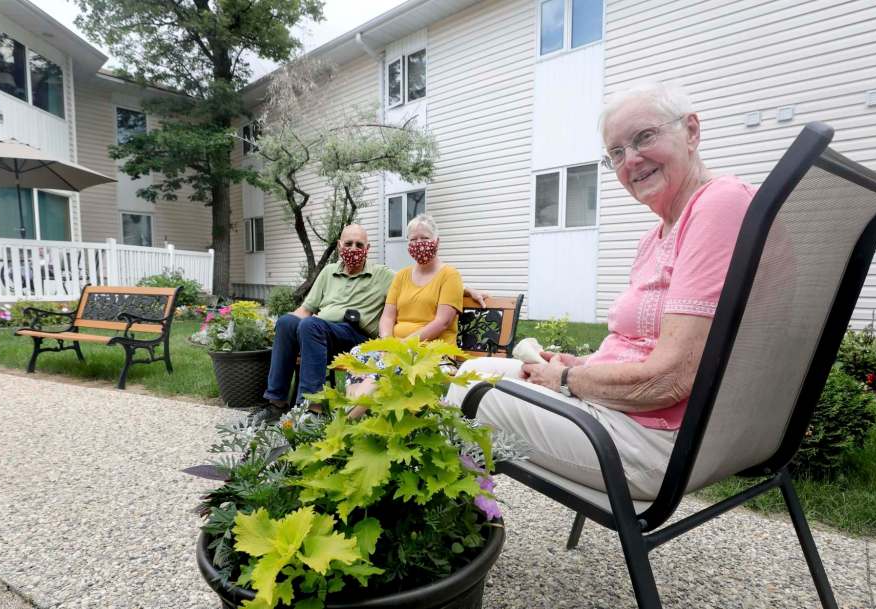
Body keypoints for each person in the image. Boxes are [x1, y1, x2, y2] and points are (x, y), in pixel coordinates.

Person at [447, 82, 758, 500]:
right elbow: (645, 344)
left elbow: (671, 377)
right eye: (616, 152)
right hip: (624, 415)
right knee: (471, 371)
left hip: (649, 442)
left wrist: (567, 379)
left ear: (692, 131)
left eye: (644, 137)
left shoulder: (719, 204)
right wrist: (587, 363)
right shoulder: (656, 238)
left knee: (453, 391)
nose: (631, 159)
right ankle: (466, 512)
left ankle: (459, 522)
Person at [262, 224, 393, 415]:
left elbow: (410, 284)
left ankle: (311, 410)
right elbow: (305, 310)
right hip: (319, 333)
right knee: (286, 322)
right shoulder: (328, 272)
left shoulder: (383, 275)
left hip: (356, 338)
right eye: (348, 243)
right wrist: (286, 327)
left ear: (368, 248)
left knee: (311, 325)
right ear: (339, 246)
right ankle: (276, 404)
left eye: (359, 244)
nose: (353, 249)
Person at [346, 214, 464, 403]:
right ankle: (357, 412)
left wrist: (404, 345)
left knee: (391, 363)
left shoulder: (450, 275)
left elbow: (442, 322)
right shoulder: (401, 276)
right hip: (397, 346)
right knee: (358, 354)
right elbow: (387, 317)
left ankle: (349, 417)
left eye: (425, 238)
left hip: (430, 350)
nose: (419, 244)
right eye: (413, 239)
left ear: (437, 242)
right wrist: (386, 342)